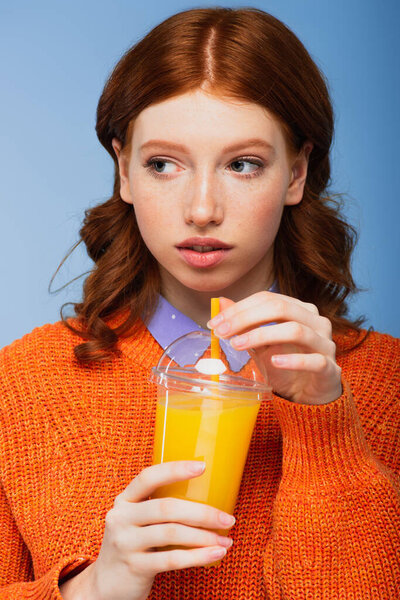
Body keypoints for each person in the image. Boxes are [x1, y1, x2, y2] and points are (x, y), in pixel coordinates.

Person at [0, 5, 399, 599]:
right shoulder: (25, 381)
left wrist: (323, 424)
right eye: (164, 164)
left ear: (296, 173)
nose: (202, 208)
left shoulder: (386, 381)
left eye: (243, 164)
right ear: (125, 173)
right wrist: (95, 588)